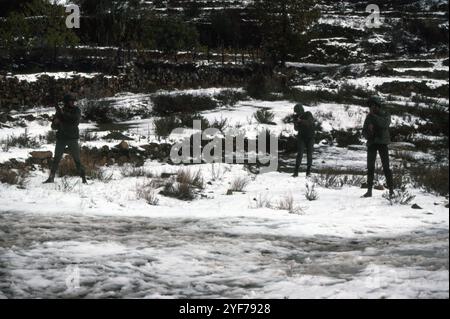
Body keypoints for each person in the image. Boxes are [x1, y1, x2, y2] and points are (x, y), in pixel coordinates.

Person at [44, 94, 87, 184]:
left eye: (73, 101)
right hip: (61, 138)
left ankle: (84, 178)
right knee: (56, 159)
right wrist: (56, 122)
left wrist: (62, 115)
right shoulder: (61, 111)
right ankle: (51, 178)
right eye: (70, 101)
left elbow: (75, 121)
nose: (73, 102)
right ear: (66, 102)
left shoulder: (76, 110)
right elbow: (53, 127)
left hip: (72, 138)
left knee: (77, 160)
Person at [362, 96, 394, 198]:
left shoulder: (385, 114)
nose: (371, 108)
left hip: (382, 143)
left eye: (373, 105)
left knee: (386, 167)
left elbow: (384, 124)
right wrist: (369, 132)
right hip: (372, 143)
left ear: (378, 105)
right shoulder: (369, 117)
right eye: (370, 106)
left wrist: (373, 117)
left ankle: (391, 191)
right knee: (370, 167)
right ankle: (369, 191)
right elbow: (364, 131)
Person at [293, 103, 315, 177]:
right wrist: (296, 123)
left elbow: (310, 122)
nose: (296, 113)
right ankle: (296, 171)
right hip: (301, 137)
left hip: (310, 137)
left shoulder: (308, 114)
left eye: (297, 111)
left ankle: (308, 171)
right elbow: (296, 129)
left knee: (309, 154)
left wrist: (301, 121)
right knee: (300, 154)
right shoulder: (296, 117)